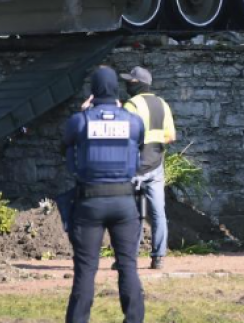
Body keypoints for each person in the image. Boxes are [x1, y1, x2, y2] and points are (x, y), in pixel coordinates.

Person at [64, 66, 145, 323]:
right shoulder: (132, 121)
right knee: (128, 265)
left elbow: (66, 146)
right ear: (116, 89)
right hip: (124, 202)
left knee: (86, 270)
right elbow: (139, 148)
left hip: (90, 201)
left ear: (93, 90)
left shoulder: (81, 121)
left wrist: (84, 112)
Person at [120, 66, 176, 270]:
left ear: (137, 84)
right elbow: (171, 136)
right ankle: (158, 258)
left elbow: (123, 135)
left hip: (134, 165)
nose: (126, 84)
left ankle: (128, 258)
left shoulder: (131, 105)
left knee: (129, 213)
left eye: (129, 81)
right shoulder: (162, 104)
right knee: (158, 213)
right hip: (156, 164)